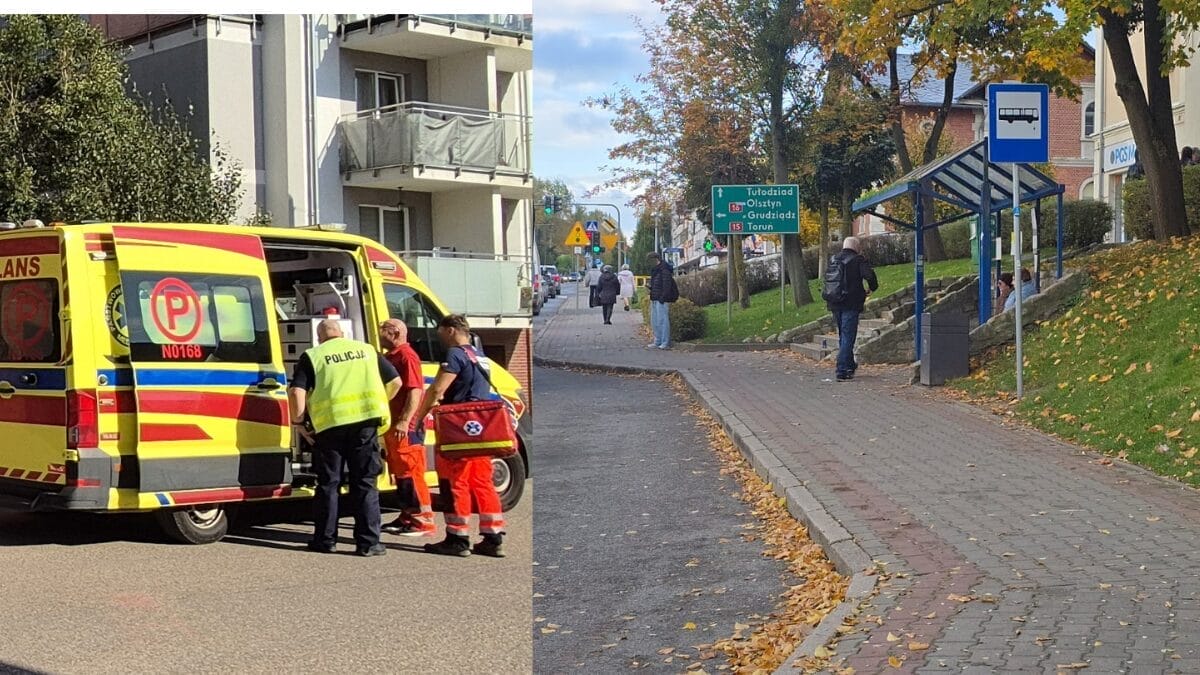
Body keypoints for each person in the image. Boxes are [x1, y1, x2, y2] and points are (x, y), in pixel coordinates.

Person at [288, 319, 401, 557]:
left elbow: (297, 391)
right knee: (365, 482)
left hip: (330, 427)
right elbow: (396, 382)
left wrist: (298, 423)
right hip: (365, 425)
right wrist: (378, 404)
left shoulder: (314, 355)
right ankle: (368, 543)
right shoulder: (367, 350)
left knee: (329, 484)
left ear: (320, 337)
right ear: (342, 333)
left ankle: (326, 540)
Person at [419, 314, 508, 558]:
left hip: (458, 428)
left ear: (450, 330)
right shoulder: (481, 356)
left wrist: (419, 417)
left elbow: (438, 388)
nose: (440, 338)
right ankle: (493, 536)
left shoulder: (455, 354)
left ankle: (457, 538)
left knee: (453, 480)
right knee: (482, 481)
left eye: (440, 333)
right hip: (481, 428)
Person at [378, 319, 436, 537]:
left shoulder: (407, 356)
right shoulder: (392, 356)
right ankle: (408, 515)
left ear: (395, 332)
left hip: (406, 426)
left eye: (383, 329)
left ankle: (423, 521)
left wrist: (404, 420)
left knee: (412, 472)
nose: (379, 332)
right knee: (400, 473)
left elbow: (415, 391)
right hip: (394, 424)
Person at [825, 236, 878, 382]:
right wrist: (871, 288)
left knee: (843, 335)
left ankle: (850, 365)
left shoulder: (833, 259)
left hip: (835, 302)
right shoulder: (858, 260)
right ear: (856, 247)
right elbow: (870, 276)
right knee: (848, 336)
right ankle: (842, 370)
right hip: (851, 303)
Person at [647, 252, 678, 349]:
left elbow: (666, 284)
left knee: (662, 321)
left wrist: (663, 297)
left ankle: (664, 342)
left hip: (661, 299)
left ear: (655, 259)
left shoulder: (664, 269)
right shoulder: (656, 270)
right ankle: (658, 340)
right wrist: (651, 289)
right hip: (655, 298)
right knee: (655, 321)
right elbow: (658, 284)